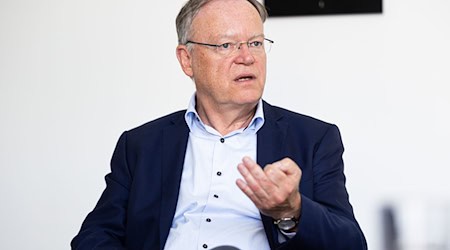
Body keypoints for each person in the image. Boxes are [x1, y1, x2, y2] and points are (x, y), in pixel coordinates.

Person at [71, 0, 367, 249]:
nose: (247, 57)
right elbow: (94, 237)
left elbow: (351, 243)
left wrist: (292, 210)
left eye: (255, 43)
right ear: (187, 60)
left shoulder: (313, 139)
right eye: (226, 45)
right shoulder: (140, 145)